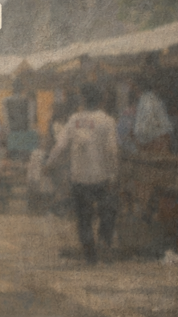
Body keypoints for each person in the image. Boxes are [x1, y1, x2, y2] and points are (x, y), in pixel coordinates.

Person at [45, 83, 118, 264]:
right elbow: (112, 151)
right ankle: (104, 240)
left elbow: (60, 146)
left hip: (79, 178)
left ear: (83, 99)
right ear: (102, 99)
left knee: (84, 218)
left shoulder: (73, 120)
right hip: (101, 177)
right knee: (108, 212)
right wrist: (113, 175)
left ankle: (90, 255)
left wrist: (48, 164)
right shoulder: (107, 121)